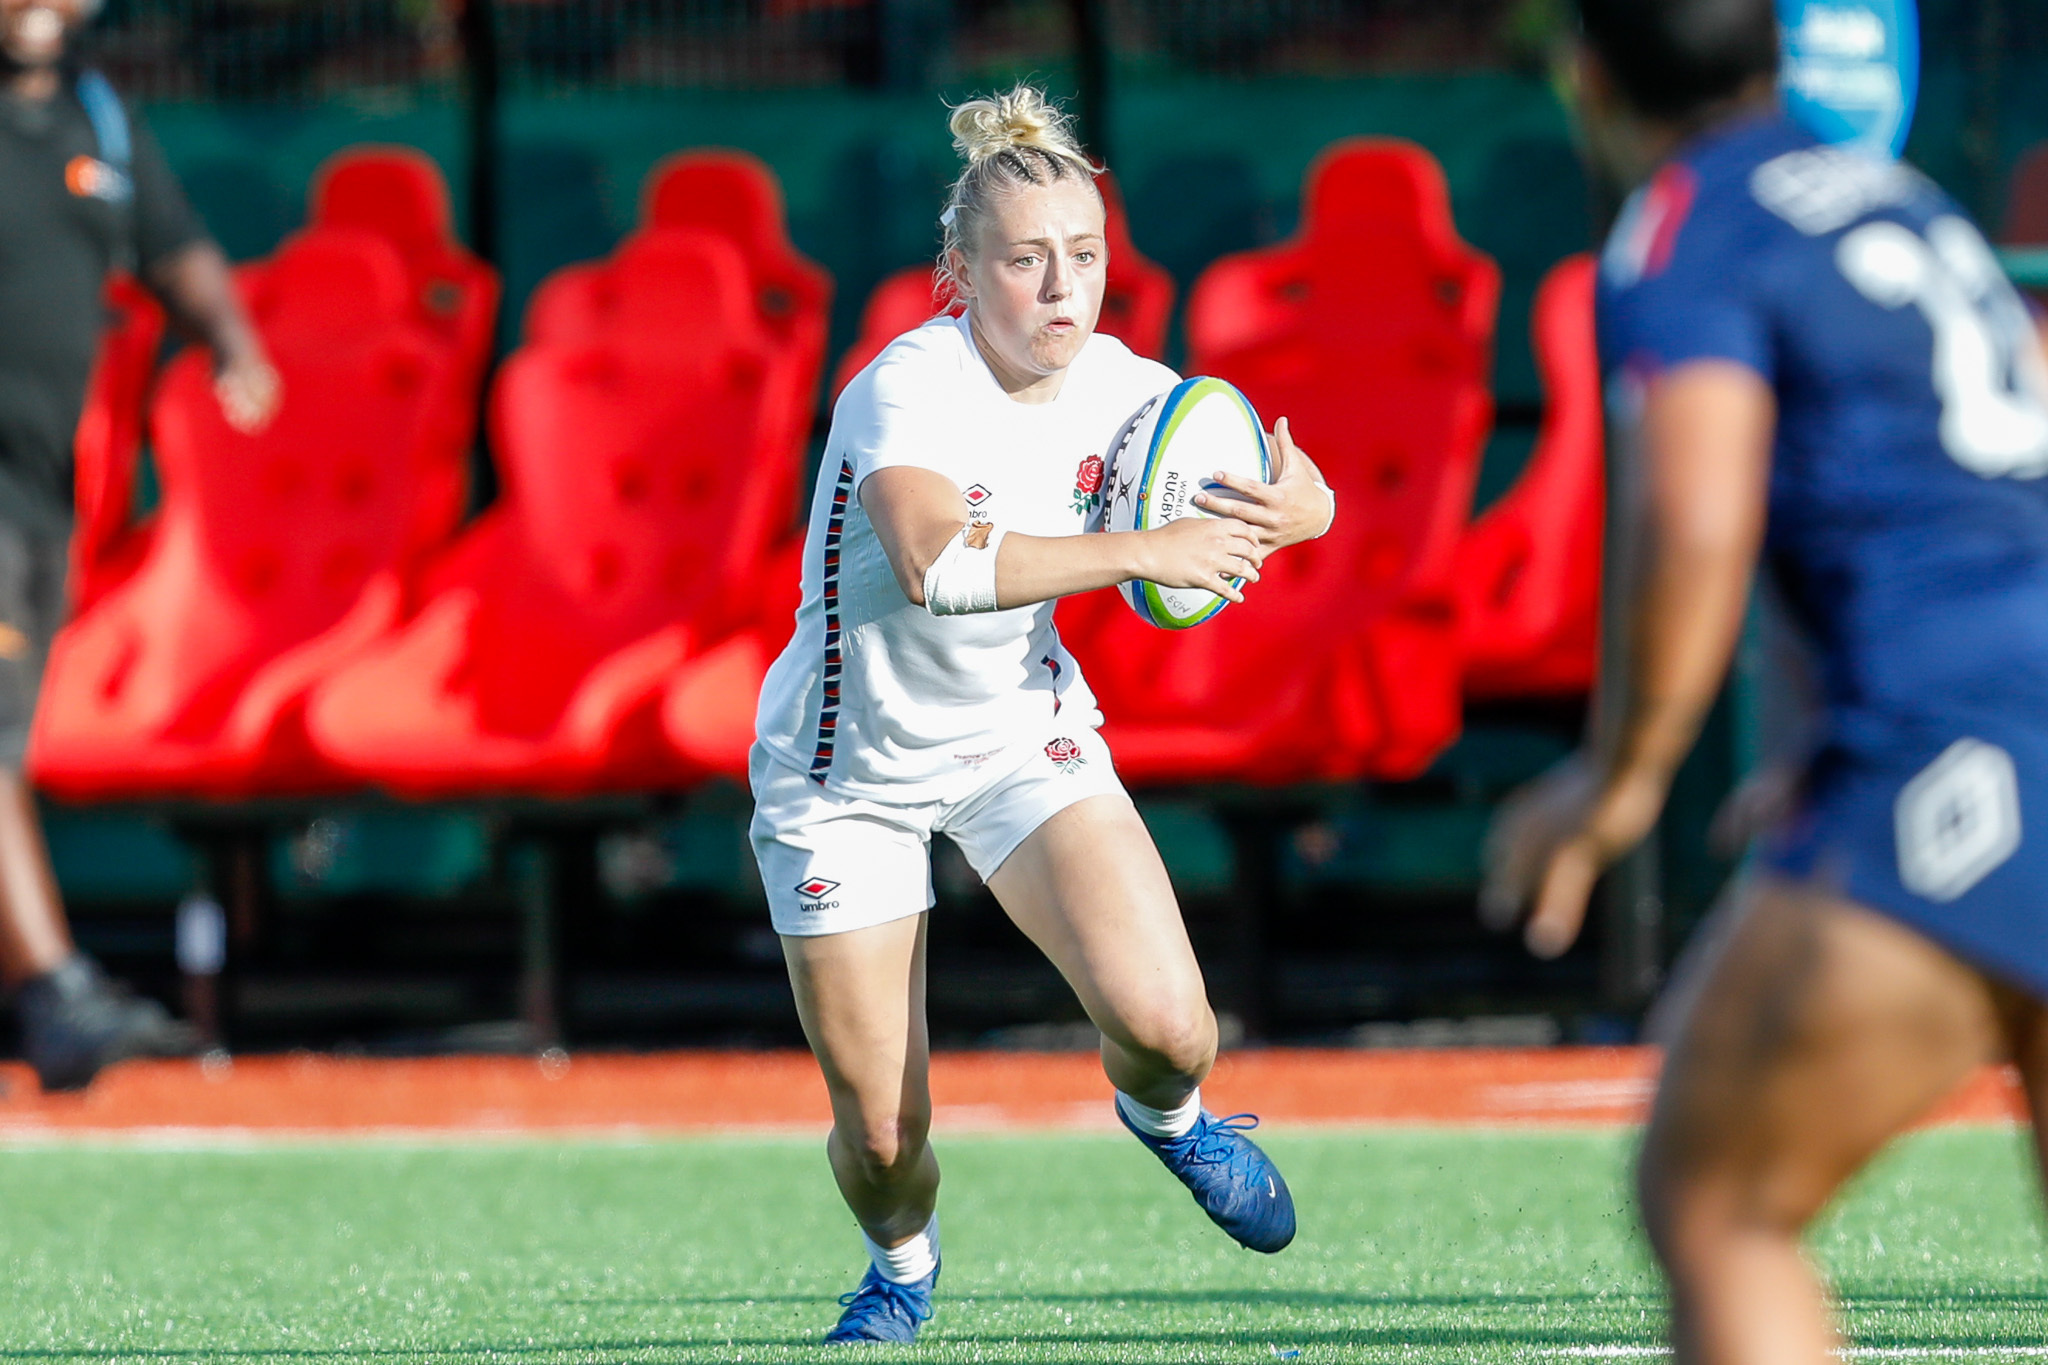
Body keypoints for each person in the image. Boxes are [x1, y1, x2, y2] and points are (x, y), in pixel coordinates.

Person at [1482, 1, 2048, 1362]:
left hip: (1962, 748)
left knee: (1718, 1200)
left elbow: (1696, 515)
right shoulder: (1903, 200)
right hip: (1989, 703)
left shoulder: (1687, 220)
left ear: (1588, 75)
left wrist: (1620, 780)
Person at [751, 85, 1336, 1344]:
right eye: (1025, 262)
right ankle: (901, 1265)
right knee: (885, 1133)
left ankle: (1168, 1119)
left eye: (1084, 257)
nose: (1061, 288)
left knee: (1173, 1028)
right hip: (841, 773)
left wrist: (1298, 511)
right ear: (957, 275)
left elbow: (1296, 496)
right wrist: (1145, 548)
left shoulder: (1127, 387)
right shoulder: (904, 387)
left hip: (1019, 737)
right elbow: (936, 567)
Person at [0, 0, 279, 1090]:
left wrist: (232, 341)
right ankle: (55, 988)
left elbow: (176, 249)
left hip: (38, 495)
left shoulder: (98, 119)